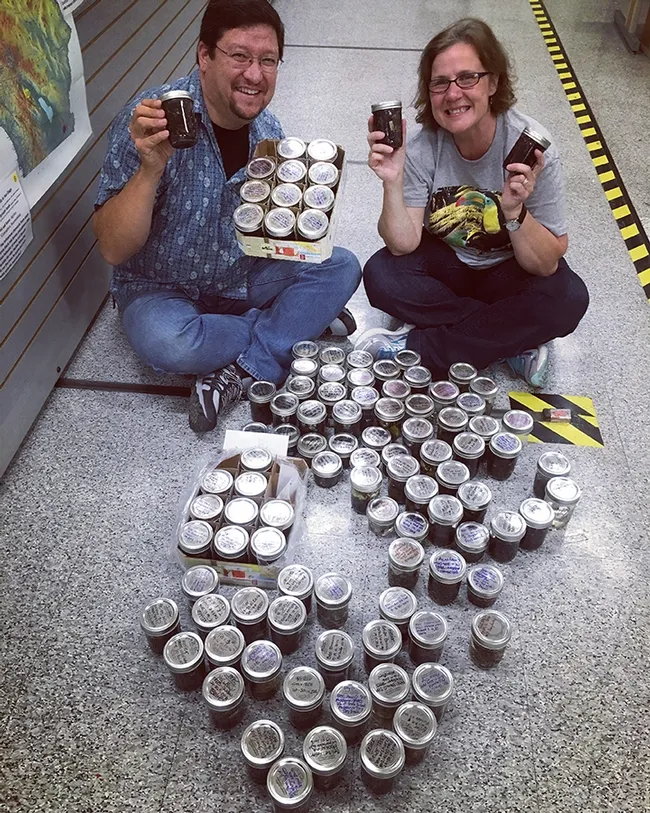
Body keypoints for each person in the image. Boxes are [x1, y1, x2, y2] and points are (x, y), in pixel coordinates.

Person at [93, 0, 361, 432]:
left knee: (342, 265)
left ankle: (247, 360)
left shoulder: (269, 132)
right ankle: (289, 329)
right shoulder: (149, 122)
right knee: (169, 345)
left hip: (240, 274)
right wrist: (150, 169)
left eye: (268, 60)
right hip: (159, 288)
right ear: (204, 55)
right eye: (239, 56)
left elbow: (272, 236)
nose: (255, 75)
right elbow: (112, 247)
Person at [354, 18, 589, 387]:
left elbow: (546, 264)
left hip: (508, 269)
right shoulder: (420, 146)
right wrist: (393, 181)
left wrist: (514, 212)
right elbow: (403, 244)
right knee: (381, 275)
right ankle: (509, 340)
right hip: (447, 267)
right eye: (440, 83)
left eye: (468, 78)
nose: (453, 94)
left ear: (493, 82)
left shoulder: (532, 149)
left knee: (568, 297)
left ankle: (421, 346)